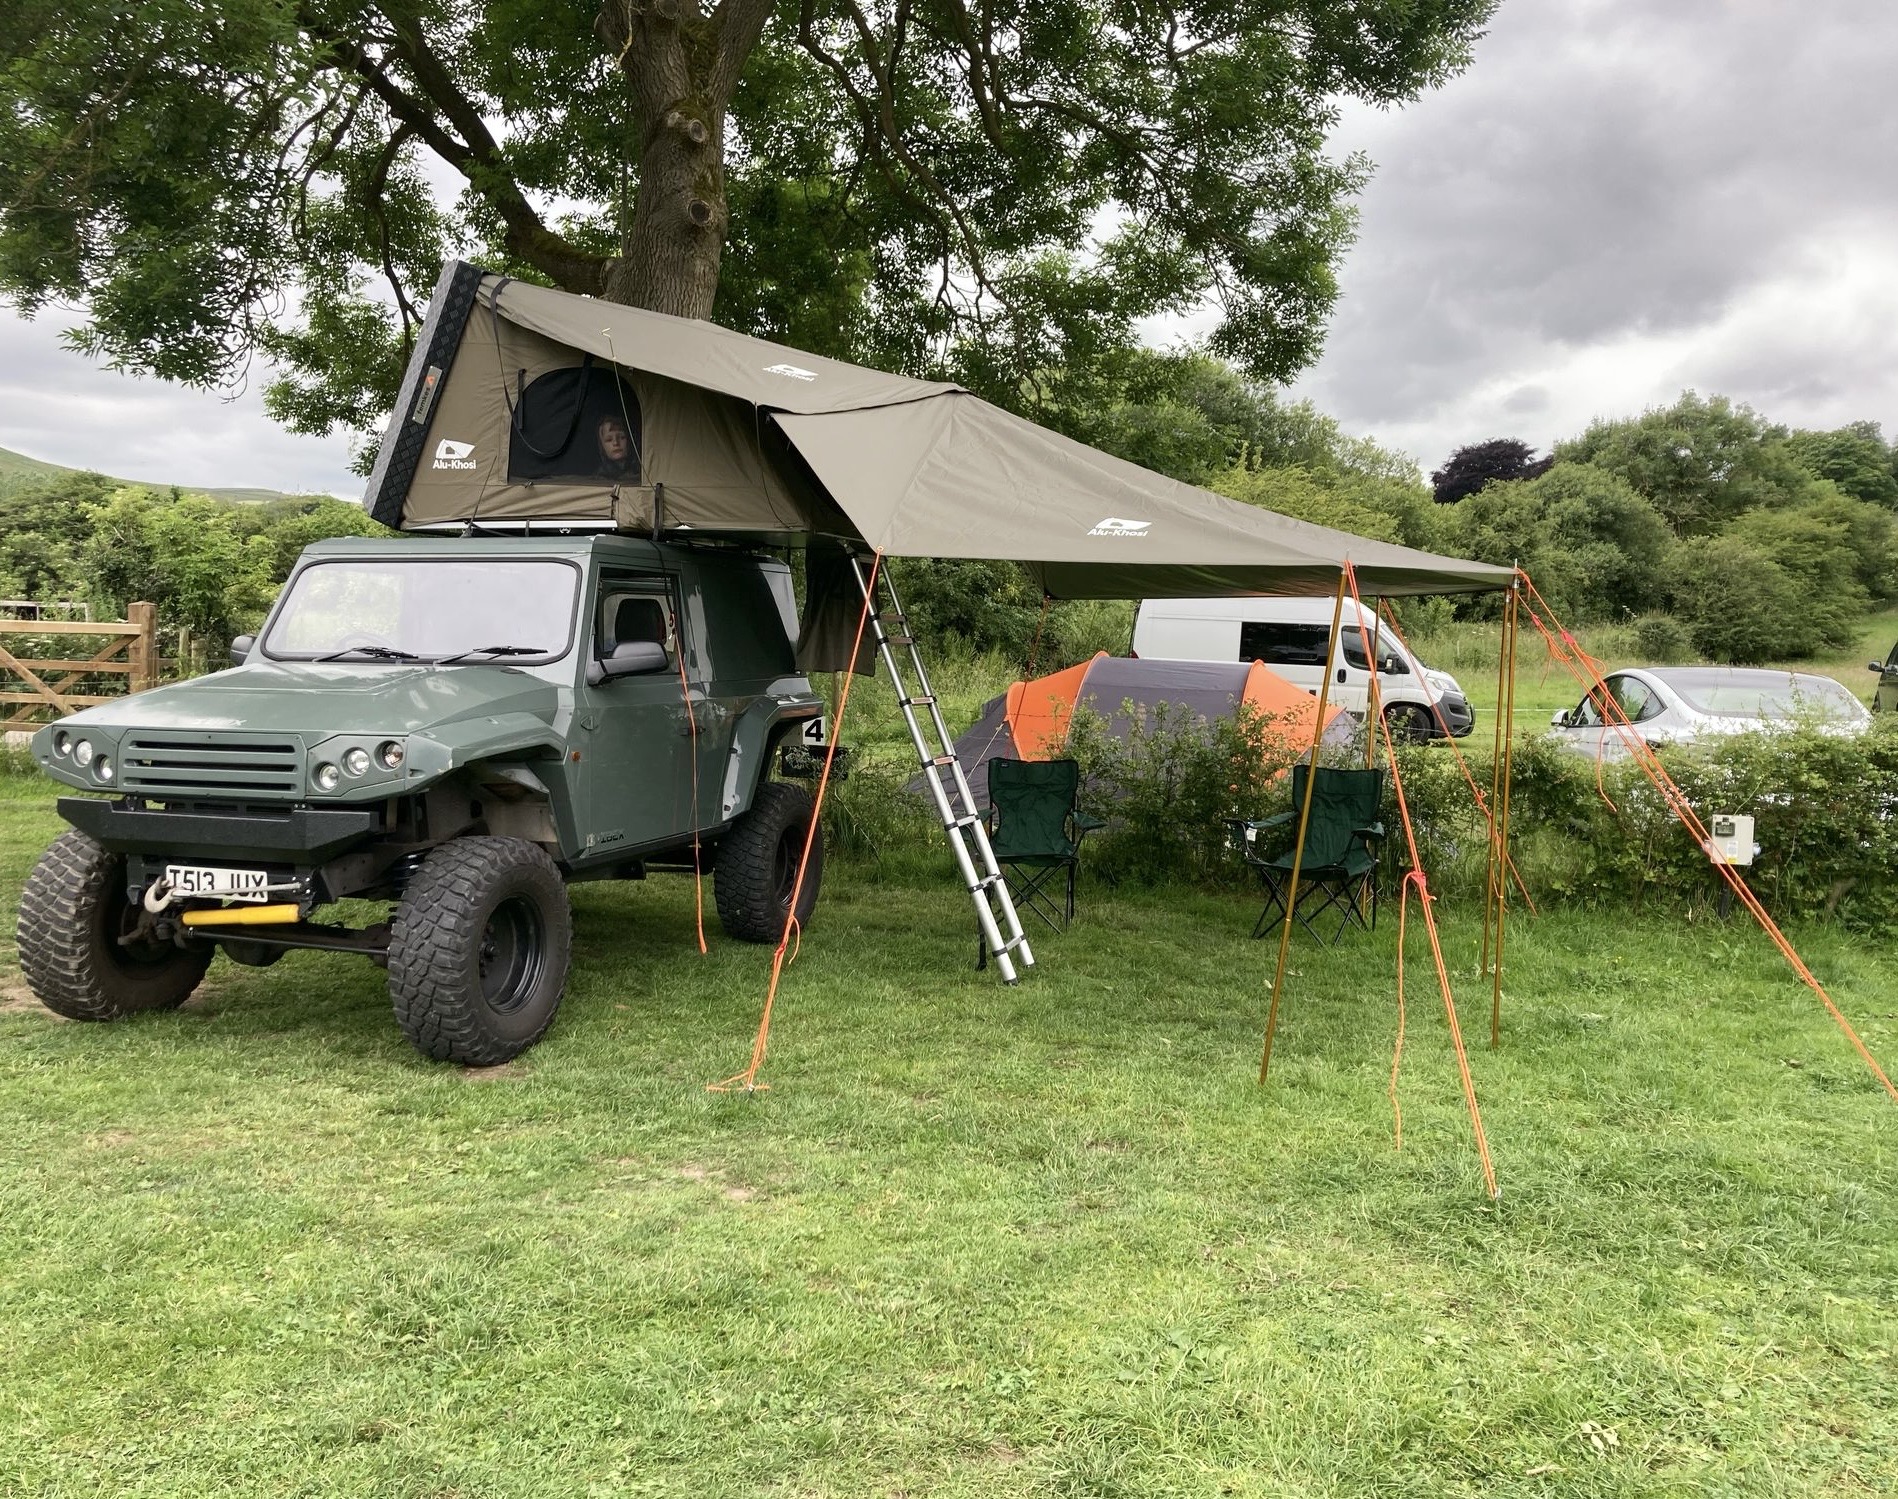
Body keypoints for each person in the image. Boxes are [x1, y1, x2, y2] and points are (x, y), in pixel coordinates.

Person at [596, 413, 638, 480]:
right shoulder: (601, 477)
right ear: (602, 446)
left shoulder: (641, 470)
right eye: (609, 440)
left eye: (622, 437)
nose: (616, 443)